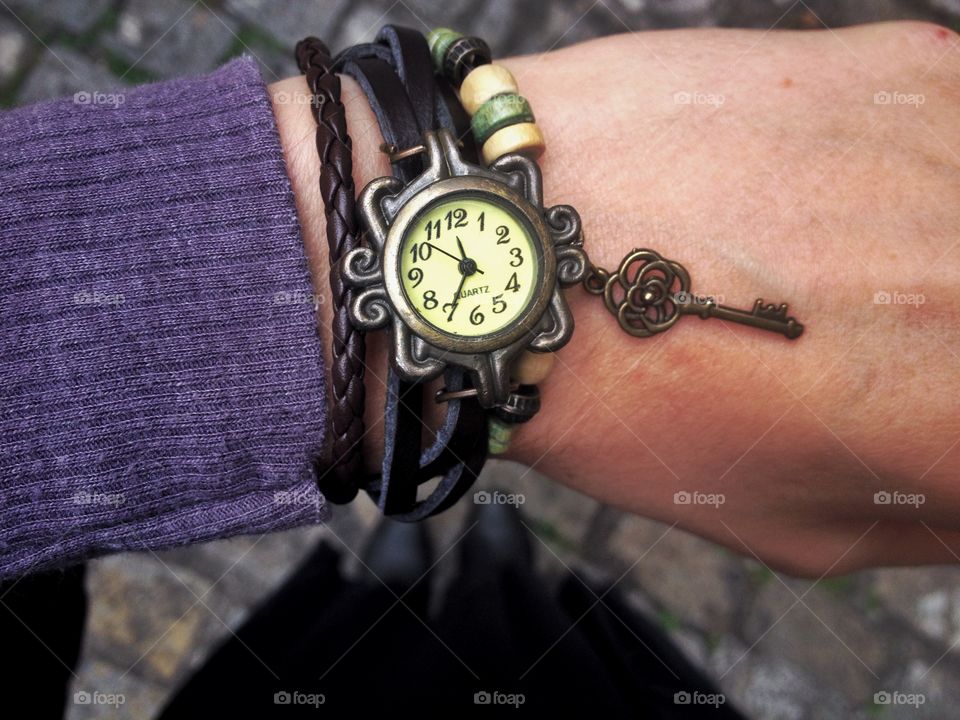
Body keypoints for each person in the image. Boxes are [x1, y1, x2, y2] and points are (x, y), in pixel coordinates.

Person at [0, 20, 958, 712]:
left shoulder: (519, 248)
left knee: (349, 647)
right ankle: (493, 570)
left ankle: (408, 580)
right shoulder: (437, 280)